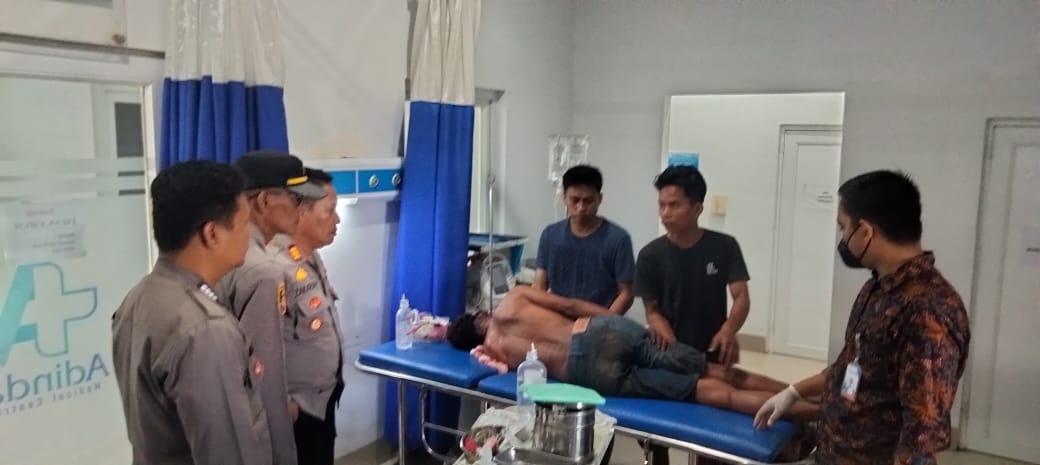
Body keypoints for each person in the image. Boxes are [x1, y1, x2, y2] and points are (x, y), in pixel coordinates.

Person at [754, 170, 971, 465]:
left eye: (843, 227)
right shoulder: (878, 288)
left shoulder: (927, 311)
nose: (842, 237)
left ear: (866, 231)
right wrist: (793, 392)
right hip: (836, 450)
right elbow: (852, 365)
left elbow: (921, 434)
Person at [445, 286, 819, 420]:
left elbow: (508, 373)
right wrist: (617, 322)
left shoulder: (492, 351)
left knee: (709, 393)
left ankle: (817, 413)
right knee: (719, 371)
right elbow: (571, 305)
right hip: (601, 333)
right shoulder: (513, 299)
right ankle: (811, 396)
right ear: (479, 315)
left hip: (588, 373)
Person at [112, 161, 273, 465]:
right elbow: (227, 454)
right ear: (212, 234)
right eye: (244, 224)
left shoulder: (140, 297)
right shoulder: (205, 330)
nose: (249, 235)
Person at [217, 151, 328, 465]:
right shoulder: (261, 271)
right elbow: (264, 374)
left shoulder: (226, 254)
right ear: (264, 201)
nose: (302, 208)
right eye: (296, 199)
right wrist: (282, 454)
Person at [635, 166, 750, 366]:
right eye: (661, 205)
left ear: (697, 209)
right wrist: (676, 350)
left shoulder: (725, 246)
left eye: (674, 205)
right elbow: (652, 311)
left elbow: (741, 296)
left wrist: (729, 330)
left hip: (714, 348)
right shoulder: (649, 255)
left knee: (730, 384)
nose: (665, 213)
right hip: (669, 351)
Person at [268, 168, 344, 465]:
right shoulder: (275, 269)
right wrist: (284, 404)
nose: (337, 219)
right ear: (301, 212)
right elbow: (258, 344)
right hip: (297, 412)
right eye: (330, 210)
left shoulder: (309, 257)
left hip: (321, 402)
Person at [533, 165, 635, 314]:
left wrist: (605, 321)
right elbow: (539, 287)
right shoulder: (550, 235)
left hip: (600, 319)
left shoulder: (618, 240)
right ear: (564, 198)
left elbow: (626, 294)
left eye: (588, 201)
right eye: (574, 200)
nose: (581, 207)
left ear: (600, 199)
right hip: (556, 317)